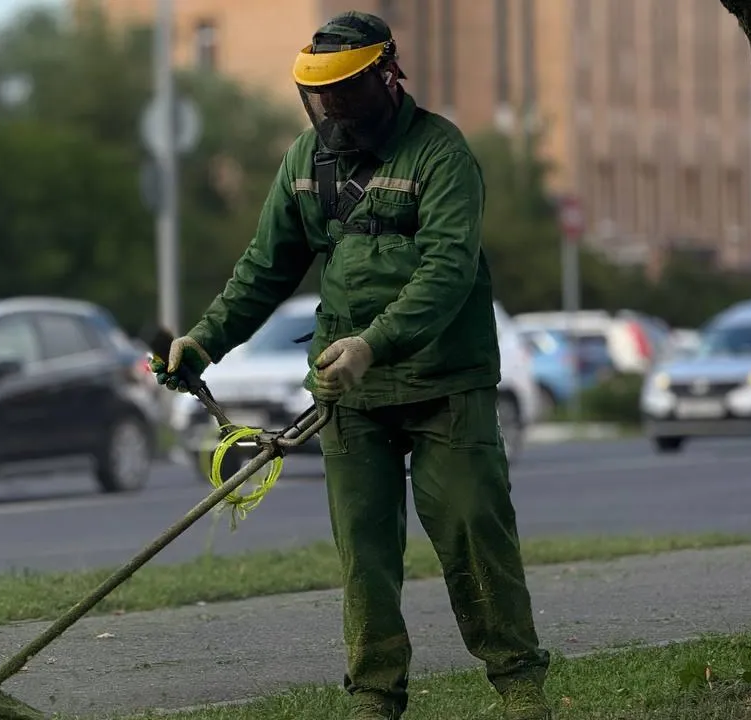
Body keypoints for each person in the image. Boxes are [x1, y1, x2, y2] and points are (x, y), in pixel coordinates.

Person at [148, 11, 552, 720]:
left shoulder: (441, 154)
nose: (330, 109)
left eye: (343, 93)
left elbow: (449, 271)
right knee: (365, 559)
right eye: (318, 96)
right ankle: (373, 696)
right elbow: (264, 270)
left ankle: (519, 686)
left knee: (472, 536)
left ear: (384, 77)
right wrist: (204, 340)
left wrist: (374, 344)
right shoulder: (306, 162)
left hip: (443, 384)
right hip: (347, 395)